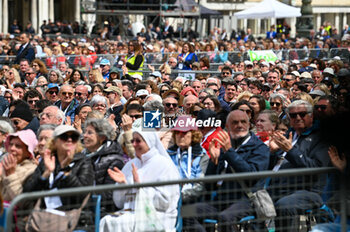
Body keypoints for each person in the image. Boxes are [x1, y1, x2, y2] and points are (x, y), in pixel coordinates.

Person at [187, 110, 270, 231]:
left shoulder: (259, 148)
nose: (239, 125)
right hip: (221, 198)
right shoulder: (224, 145)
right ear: (227, 126)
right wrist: (213, 162)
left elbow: (251, 176)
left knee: (225, 218)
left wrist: (229, 152)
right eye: (235, 122)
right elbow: (209, 185)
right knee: (186, 211)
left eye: (243, 122)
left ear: (249, 125)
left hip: (245, 200)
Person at [99, 130, 180, 232]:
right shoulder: (130, 165)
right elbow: (119, 203)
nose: (134, 144)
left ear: (149, 142)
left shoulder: (164, 165)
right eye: (133, 140)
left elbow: (166, 202)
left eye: (138, 141)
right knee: (107, 220)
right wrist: (123, 185)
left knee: (123, 224)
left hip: (157, 216)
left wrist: (140, 187)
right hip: (130, 213)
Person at [268, 100, 331, 231]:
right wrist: (272, 153)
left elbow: (315, 168)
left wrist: (290, 151)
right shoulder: (288, 135)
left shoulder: (322, 137)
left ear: (311, 116)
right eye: (293, 115)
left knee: (284, 205)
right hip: (277, 186)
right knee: (250, 201)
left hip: (308, 190)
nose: (297, 118)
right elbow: (271, 166)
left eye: (302, 114)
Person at [23, 125, 94, 207]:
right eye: (64, 137)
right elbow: (27, 193)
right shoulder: (48, 160)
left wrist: (66, 171)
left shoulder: (84, 162)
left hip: (72, 214)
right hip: (44, 213)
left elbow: (81, 196)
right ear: (54, 142)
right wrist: (46, 173)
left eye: (74, 137)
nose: (69, 140)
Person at [82, 119, 125, 211]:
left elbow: (108, 194)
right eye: (85, 132)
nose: (85, 136)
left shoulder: (114, 161)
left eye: (90, 133)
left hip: (101, 211)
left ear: (102, 137)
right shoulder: (82, 156)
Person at [167, 116, 209, 204]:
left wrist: (179, 198)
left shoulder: (202, 155)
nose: (180, 135)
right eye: (177, 132)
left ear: (193, 134)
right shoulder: (168, 154)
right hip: (168, 198)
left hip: (192, 201)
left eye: (184, 132)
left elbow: (200, 186)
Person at [0, 129, 38, 201]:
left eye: (18, 146)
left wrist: (11, 175)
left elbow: (21, 201)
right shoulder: (6, 165)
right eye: (11, 144)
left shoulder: (32, 171)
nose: (12, 148)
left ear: (28, 151)